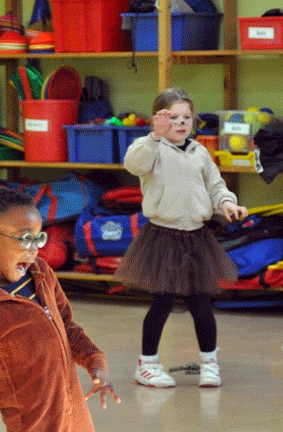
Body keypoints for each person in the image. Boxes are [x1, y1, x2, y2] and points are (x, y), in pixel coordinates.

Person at [0, 187, 120, 432]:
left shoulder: (41, 274)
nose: (35, 249)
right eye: (26, 238)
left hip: (74, 414)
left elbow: (66, 326)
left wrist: (95, 360)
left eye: (39, 238)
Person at [116, 87, 248, 389]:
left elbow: (215, 186)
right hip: (162, 237)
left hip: (196, 238)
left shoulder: (199, 152)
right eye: (172, 117)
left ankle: (209, 363)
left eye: (186, 117)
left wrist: (226, 203)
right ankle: (147, 364)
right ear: (158, 120)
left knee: (201, 303)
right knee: (162, 302)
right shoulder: (150, 148)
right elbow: (134, 164)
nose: (180, 123)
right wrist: (154, 136)